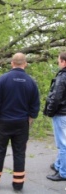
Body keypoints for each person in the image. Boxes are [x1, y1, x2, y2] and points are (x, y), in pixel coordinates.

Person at [0, 53, 40, 191]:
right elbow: (35, 105)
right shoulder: (31, 81)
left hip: (3, 122)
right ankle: (18, 184)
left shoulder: (2, 80)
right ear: (25, 64)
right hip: (22, 123)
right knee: (20, 153)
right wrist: (31, 119)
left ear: (12, 63)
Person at [44, 52, 66, 181]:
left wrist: (50, 111)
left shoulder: (62, 77)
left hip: (61, 114)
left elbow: (56, 96)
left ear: (63, 62)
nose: (58, 63)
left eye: (59, 60)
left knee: (63, 144)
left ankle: (63, 172)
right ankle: (58, 164)